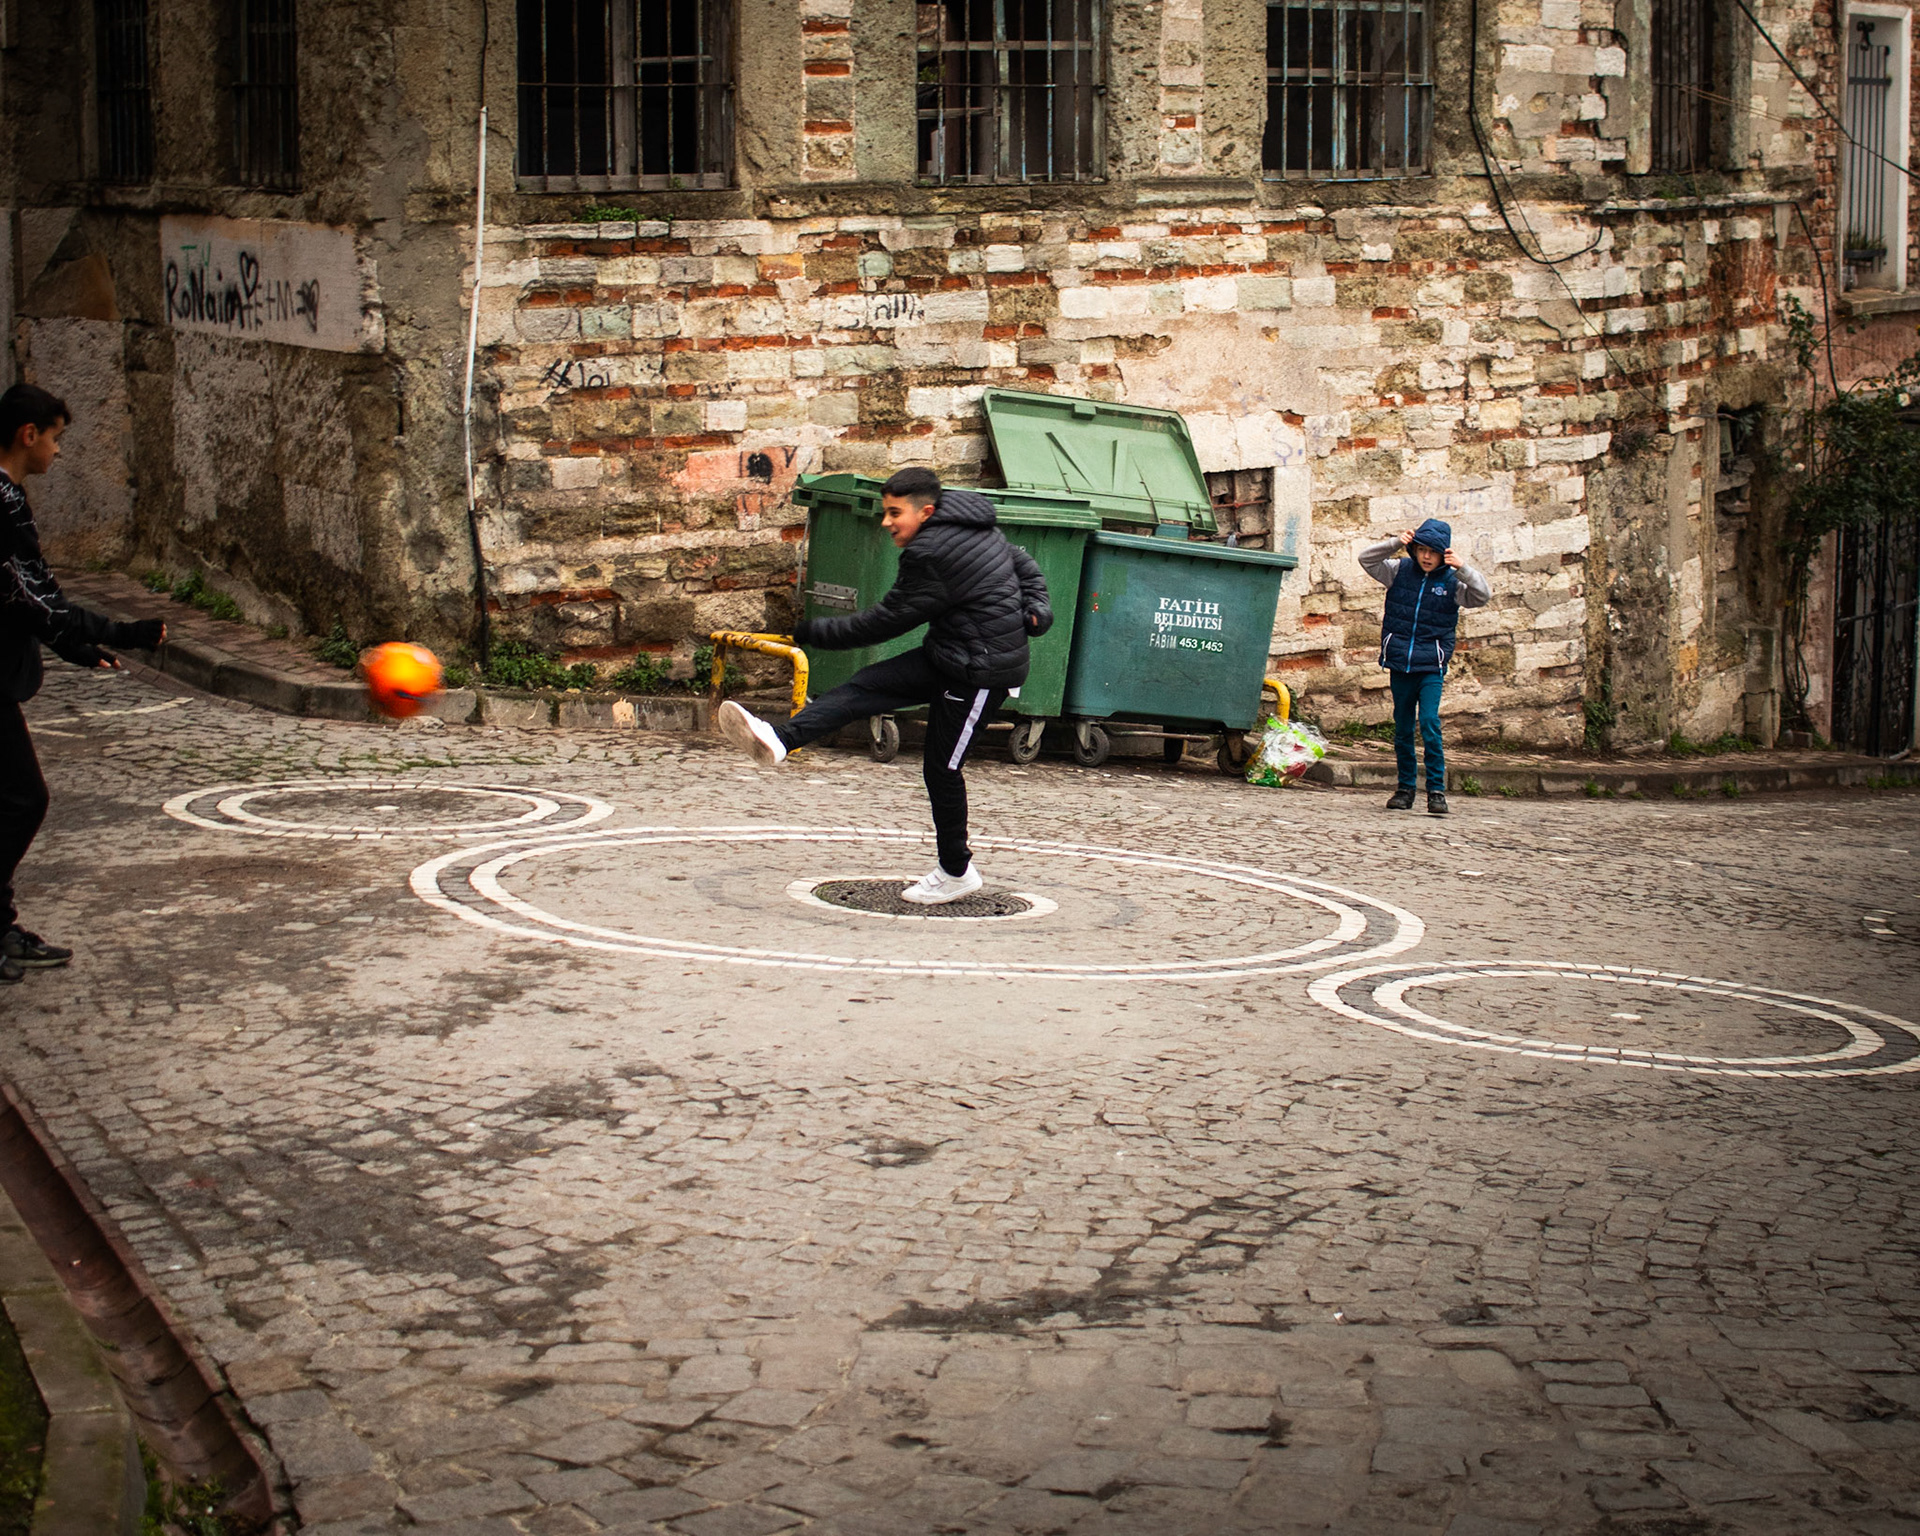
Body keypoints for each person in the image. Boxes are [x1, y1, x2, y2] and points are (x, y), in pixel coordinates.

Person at [717, 467, 1050, 905]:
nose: (886, 522)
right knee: (865, 685)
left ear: (926, 511)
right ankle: (779, 740)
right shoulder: (967, 522)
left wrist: (813, 632)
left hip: (980, 674)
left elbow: (886, 621)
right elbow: (1021, 560)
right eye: (884, 511)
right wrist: (1037, 607)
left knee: (942, 769)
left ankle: (956, 872)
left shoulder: (930, 553)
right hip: (949, 654)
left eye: (895, 513)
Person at [0, 383, 165, 982]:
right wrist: (123, 633)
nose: (59, 451)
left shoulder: (7, 497)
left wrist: (77, 647)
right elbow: (35, 600)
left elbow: (27, 601)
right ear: (29, 435)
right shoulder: (2, 502)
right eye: (57, 438)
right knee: (23, 799)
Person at [1359, 517, 1491, 816]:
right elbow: (1366, 559)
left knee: (1429, 724)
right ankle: (1405, 789)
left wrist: (1463, 568)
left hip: (1431, 666)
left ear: (1443, 553)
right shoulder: (1398, 571)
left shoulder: (1453, 584)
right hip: (1400, 664)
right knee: (1403, 729)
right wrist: (1396, 542)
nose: (1427, 557)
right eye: (1421, 550)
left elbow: (1482, 595)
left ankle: (1436, 792)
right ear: (1414, 549)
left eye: (1433, 551)